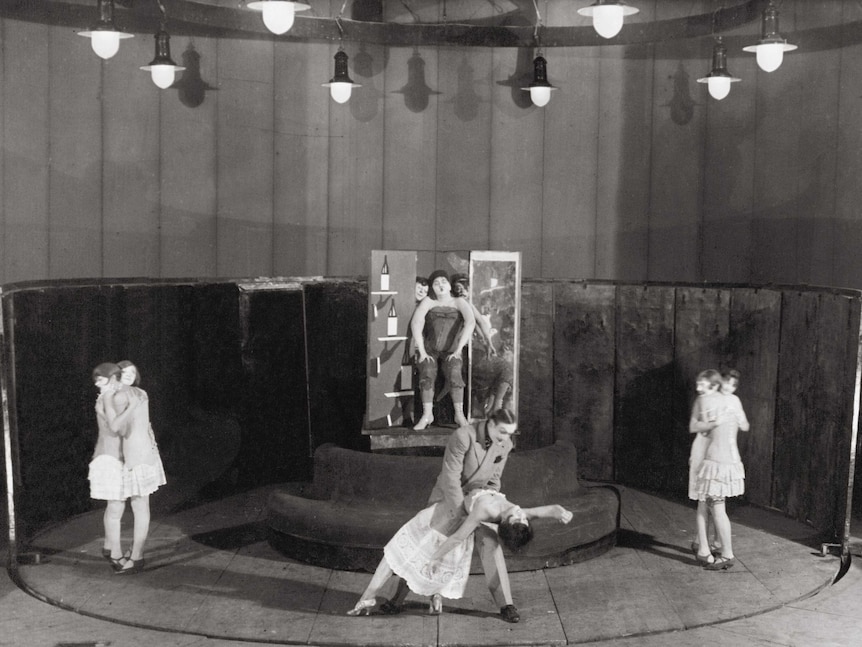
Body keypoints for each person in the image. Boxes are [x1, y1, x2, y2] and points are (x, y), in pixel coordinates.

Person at [350, 409, 521, 621]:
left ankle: (507, 605)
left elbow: (494, 480)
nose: (505, 438)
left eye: (510, 433)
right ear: (490, 423)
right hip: (449, 498)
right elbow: (451, 479)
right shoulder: (462, 436)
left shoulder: (505, 444)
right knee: (427, 546)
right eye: (502, 431)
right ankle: (396, 599)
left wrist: (487, 504)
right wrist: (463, 514)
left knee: (490, 542)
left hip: (479, 500)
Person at [348, 488, 572, 620]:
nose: (520, 513)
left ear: (505, 522)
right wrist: (559, 511)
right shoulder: (515, 514)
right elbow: (541, 511)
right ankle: (406, 598)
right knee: (419, 550)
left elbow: (458, 537)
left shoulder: (492, 512)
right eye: (522, 518)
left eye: (518, 518)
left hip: (461, 517)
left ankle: (505, 605)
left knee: (427, 553)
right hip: (451, 506)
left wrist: (435, 557)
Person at [101, 360, 167, 574]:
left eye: (132, 371)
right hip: (118, 457)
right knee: (115, 506)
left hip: (139, 457)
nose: (128, 374)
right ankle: (113, 550)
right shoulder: (111, 395)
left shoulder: (140, 394)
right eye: (123, 371)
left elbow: (144, 426)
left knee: (139, 506)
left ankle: (136, 555)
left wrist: (150, 452)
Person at [690, 368, 749, 570]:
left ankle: (724, 552)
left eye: (732, 385)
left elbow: (740, 426)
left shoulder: (723, 402)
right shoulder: (729, 402)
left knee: (713, 504)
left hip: (718, 461)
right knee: (709, 502)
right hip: (723, 459)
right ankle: (706, 545)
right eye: (725, 384)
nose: (728, 388)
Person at [410, 270, 476, 430]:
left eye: (443, 282)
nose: (440, 285)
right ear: (432, 287)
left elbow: (471, 322)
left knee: (454, 373)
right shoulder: (428, 301)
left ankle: (459, 415)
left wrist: (459, 349)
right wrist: (423, 351)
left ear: (449, 285)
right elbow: (416, 322)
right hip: (430, 349)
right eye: (436, 283)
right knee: (427, 372)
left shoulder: (459, 301)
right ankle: (427, 415)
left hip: (452, 350)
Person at [451, 273, 513, 416]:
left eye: (465, 288)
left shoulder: (467, 304)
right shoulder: (455, 303)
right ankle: (494, 404)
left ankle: (495, 403)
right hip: (460, 353)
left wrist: (488, 343)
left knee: (505, 368)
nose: (463, 292)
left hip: (473, 351)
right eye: (459, 288)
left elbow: (480, 324)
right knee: (503, 368)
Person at [88, 363, 128, 570]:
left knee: (113, 506)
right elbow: (117, 427)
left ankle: (108, 546)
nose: (97, 383)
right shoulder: (108, 398)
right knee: (116, 507)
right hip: (110, 458)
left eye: (100, 379)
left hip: (107, 455)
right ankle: (116, 555)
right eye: (97, 380)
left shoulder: (105, 398)